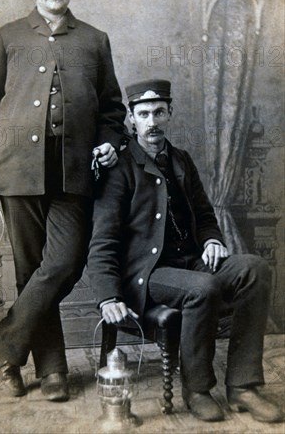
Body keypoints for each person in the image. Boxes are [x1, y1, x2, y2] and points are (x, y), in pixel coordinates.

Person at [0, 0, 126, 401]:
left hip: (74, 173)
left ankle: (7, 343)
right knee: (30, 269)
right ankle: (53, 369)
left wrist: (110, 142)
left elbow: (113, 110)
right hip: (16, 171)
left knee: (63, 263)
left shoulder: (94, 40)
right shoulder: (8, 36)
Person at [87, 79, 282, 423]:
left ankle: (242, 387)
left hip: (191, 263)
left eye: (159, 112)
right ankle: (197, 389)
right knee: (202, 288)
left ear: (170, 114)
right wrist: (107, 297)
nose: (152, 122)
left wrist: (212, 240)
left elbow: (206, 215)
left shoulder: (181, 160)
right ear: (131, 119)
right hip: (146, 276)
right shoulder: (119, 169)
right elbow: (102, 241)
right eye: (143, 114)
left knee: (255, 268)